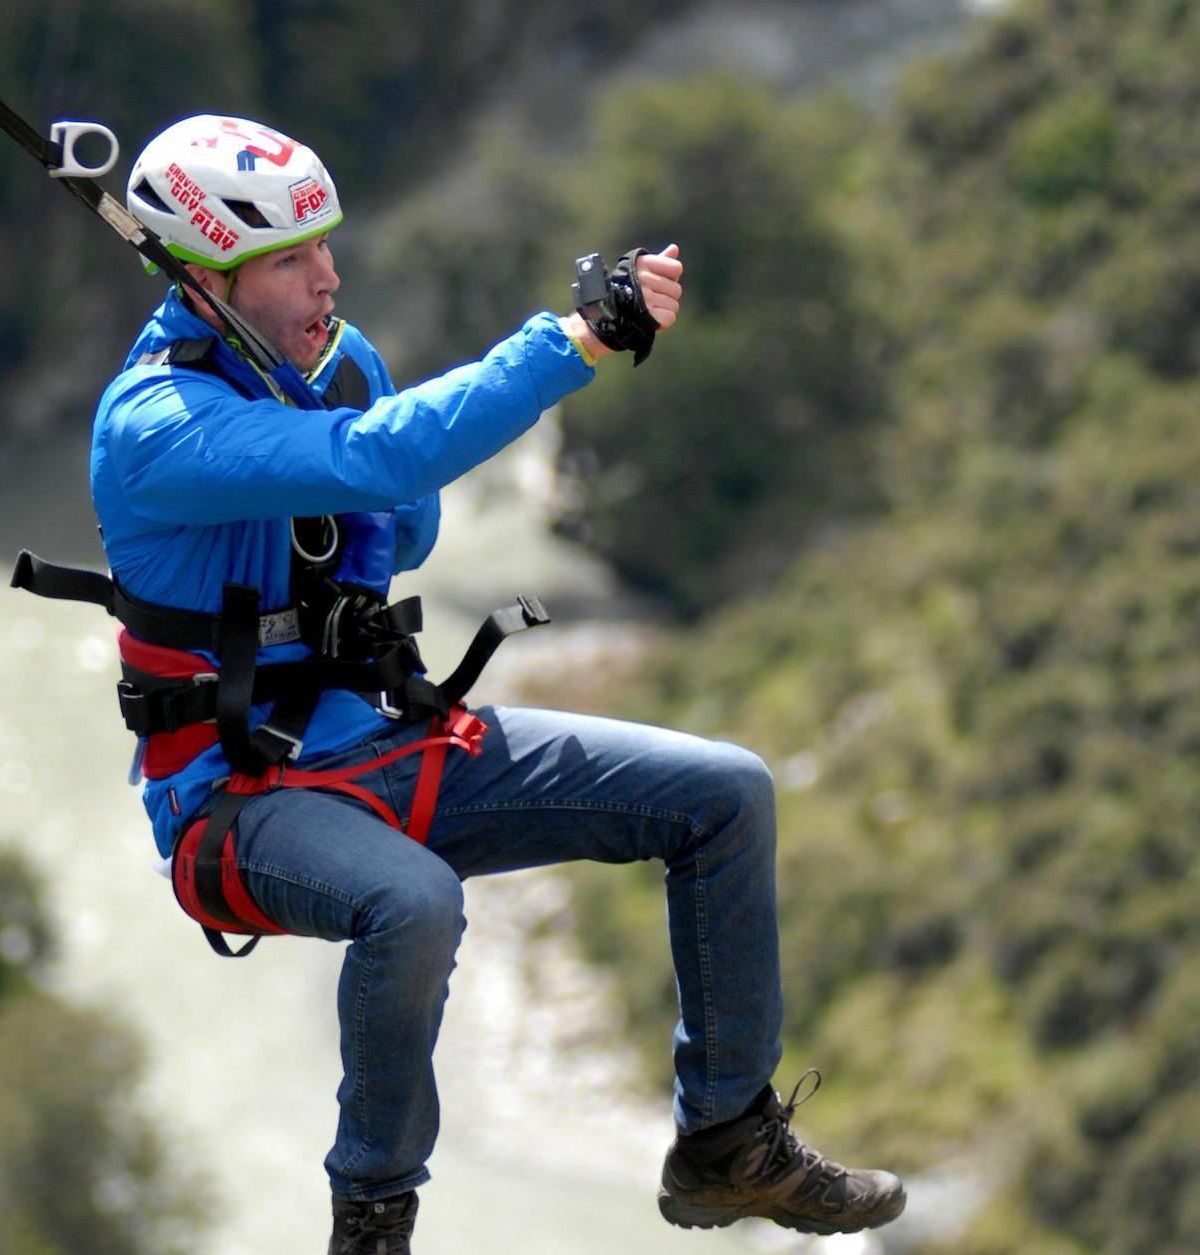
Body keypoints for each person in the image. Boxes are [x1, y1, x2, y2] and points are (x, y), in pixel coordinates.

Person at [75, 114, 906, 1253]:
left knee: (728, 793)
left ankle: (725, 1140)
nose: (326, 277)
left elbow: (400, 530)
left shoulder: (334, 364)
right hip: (235, 802)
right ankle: (372, 1214)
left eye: (327, 244)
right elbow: (386, 461)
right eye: (287, 259)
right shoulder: (154, 428)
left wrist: (330, 433)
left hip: (378, 745)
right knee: (413, 900)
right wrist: (572, 341)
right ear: (204, 281)